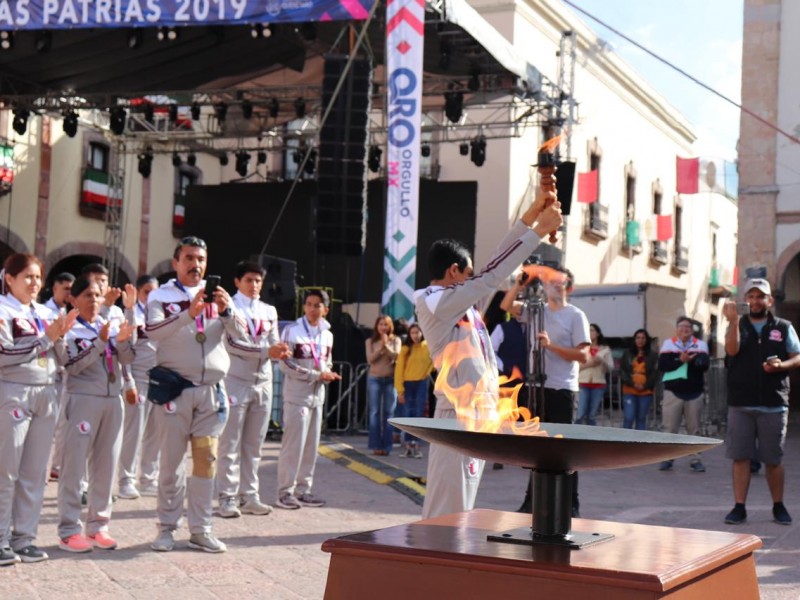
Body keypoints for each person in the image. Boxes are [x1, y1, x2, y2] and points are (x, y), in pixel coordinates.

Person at [414, 175, 562, 520]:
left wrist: (532, 213)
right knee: (446, 512)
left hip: (477, 418)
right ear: (453, 271)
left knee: (462, 512)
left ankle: (452, 568)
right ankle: (433, 568)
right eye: (468, 273)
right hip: (457, 417)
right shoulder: (433, 300)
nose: (475, 278)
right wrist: (538, 231)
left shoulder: (462, 304)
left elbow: (494, 263)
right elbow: (492, 275)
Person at [145, 236, 246, 553]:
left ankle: (201, 529)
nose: (195, 264)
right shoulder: (160, 297)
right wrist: (189, 313)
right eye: (189, 258)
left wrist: (227, 311)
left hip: (210, 395)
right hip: (176, 391)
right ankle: (166, 528)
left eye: (201, 259)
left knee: (206, 463)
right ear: (176, 263)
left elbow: (241, 335)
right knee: (172, 464)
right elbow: (153, 332)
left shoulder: (220, 297)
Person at [0, 254, 76, 565]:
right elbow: (4, 354)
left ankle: (24, 538)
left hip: (47, 392)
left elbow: (64, 356)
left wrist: (62, 336)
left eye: (37, 277)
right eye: (27, 277)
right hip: (14, 392)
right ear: (9, 279)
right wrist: (48, 337)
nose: (34, 283)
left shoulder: (46, 312)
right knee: (7, 470)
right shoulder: (3, 311)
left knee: (35, 472)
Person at [501, 266, 590, 516]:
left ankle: (570, 503)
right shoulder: (535, 311)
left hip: (562, 389)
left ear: (568, 286)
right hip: (536, 386)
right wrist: (519, 283)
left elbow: (583, 355)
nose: (555, 286)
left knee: (563, 449)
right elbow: (506, 306)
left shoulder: (575, 315)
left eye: (560, 282)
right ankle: (533, 501)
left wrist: (551, 347)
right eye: (551, 282)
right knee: (536, 447)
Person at [58, 277, 135, 553]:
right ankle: (69, 530)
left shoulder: (111, 325)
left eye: (99, 295)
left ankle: (99, 526)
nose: (94, 301)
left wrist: (123, 341)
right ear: (75, 299)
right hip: (82, 399)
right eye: (88, 295)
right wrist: (100, 343)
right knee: (74, 466)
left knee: (106, 466)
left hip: (112, 400)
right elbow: (72, 365)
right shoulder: (70, 329)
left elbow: (127, 360)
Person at [722, 278, 800, 525]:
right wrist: (733, 321)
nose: (755, 301)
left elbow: (797, 357)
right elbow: (732, 350)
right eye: (751, 296)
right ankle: (739, 507)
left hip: (773, 403)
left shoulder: (783, 326)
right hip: (741, 403)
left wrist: (781, 366)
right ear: (746, 299)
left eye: (760, 296)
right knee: (740, 457)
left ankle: (778, 505)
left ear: (770, 300)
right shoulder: (738, 324)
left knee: (773, 460)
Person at [216, 261, 290, 518]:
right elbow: (232, 344)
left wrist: (279, 350)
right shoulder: (228, 306)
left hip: (264, 381)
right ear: (237, 282)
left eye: (258, 281)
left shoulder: (269, 310)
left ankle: (250, 495)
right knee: (230, 442)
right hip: (235, 379)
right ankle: (226, 496)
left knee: (254, 444)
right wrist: (265, 351)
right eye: (249, 280)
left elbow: (273, 341)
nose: (255, 285)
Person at [275, 289, 341, 509]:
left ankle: (304, 490)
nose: (313, 309)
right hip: (297, 395)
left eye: (317, 305)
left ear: (326, 309)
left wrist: (327, 373)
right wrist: (315, 375)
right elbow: (285, 364)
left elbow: (327, 361)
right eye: (309, 304)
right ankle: (285, 492)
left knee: (311, 446)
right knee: (293, 445)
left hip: (317, 396)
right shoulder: (292, 331)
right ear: (304, 307)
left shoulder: (327, 334)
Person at [117, 275, 160, 500]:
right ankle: (126, 480)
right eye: (147, 291)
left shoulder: (161, 313)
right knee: (133, 433)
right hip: (139, 380)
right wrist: (129, 382)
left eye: (155, 291)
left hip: (160, 381)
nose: (151, 296)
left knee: (156, 433)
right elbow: (125, 349)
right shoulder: (132, 314)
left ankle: (149, 478)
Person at [657, 316, 710, 472]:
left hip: (694, 392)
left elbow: (704, 365)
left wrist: (690, 360)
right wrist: (680, 360)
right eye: (681, 326)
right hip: (673, 392)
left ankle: (695, 459)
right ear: (676, 329)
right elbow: (663, 366)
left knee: (694, 428)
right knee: (669, 428)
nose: (685, 329)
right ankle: (667, 459)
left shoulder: (700, 345)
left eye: (688, 327)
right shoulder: (668, 344)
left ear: (692, 330)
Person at [46, 271, 75, 483]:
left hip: (69, 375)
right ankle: (42, 468)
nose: (69, 293)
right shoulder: (46, 312)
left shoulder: (74, 312)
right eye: (65, 288)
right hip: (52, 375)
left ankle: (56, 466)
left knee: (64, 425)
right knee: (49, 424)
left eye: (71, 289)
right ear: (54, 289)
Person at [394, 323, 433, 459]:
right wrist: (400, 390)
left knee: (418, 413)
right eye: (413, 333)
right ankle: (407, 445)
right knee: (408, 413)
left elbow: (434, 361)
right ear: (409, 335)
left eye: (418, 332)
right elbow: (399, 370)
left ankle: (416, 444)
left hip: (422, 382)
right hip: (408, 383)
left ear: (422, 333)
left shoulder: (428, 346)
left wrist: (427, 372)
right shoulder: (405, 348)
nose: (415, 336)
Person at [366, 315, 401, 456]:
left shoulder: (396, 340)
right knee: (374, 413)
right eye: (381, 324)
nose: (383, 327)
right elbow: (370, 359)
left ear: (390, 326)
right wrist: (381, 347)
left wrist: (386, 346)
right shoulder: (370, 341)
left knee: (389, 413)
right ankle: (375, 445)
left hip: (390, 380)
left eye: (386, 325)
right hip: (374, 378)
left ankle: (387, 446)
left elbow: (396, 356)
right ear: (376, 326)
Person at [620, 328, 659, 430]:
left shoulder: (653, 355)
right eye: (638, 338)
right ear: (634, 339)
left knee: (641, 419)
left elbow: (655, 374)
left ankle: (640, 444)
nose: (640, 340)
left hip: (645, 392)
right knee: (628, 417)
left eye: (643, 338)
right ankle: (624, 442)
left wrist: (645, 386)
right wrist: (633, 384)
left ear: (647, 340)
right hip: (629, 390)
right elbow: (623, 371)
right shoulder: (627, 354)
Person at [576, 323, 613, 426]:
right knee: (580, 414)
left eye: (592, 330)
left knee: (592, 415)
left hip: (598, 384)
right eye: (588, 330)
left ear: (598, 333)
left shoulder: (605, 349)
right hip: (582, 383)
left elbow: (610, 367)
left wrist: (602, 362)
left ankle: (590, 437)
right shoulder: (581, 348)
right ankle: (575, 436)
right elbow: (575, 368)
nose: (590, 333)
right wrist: (591, 364)